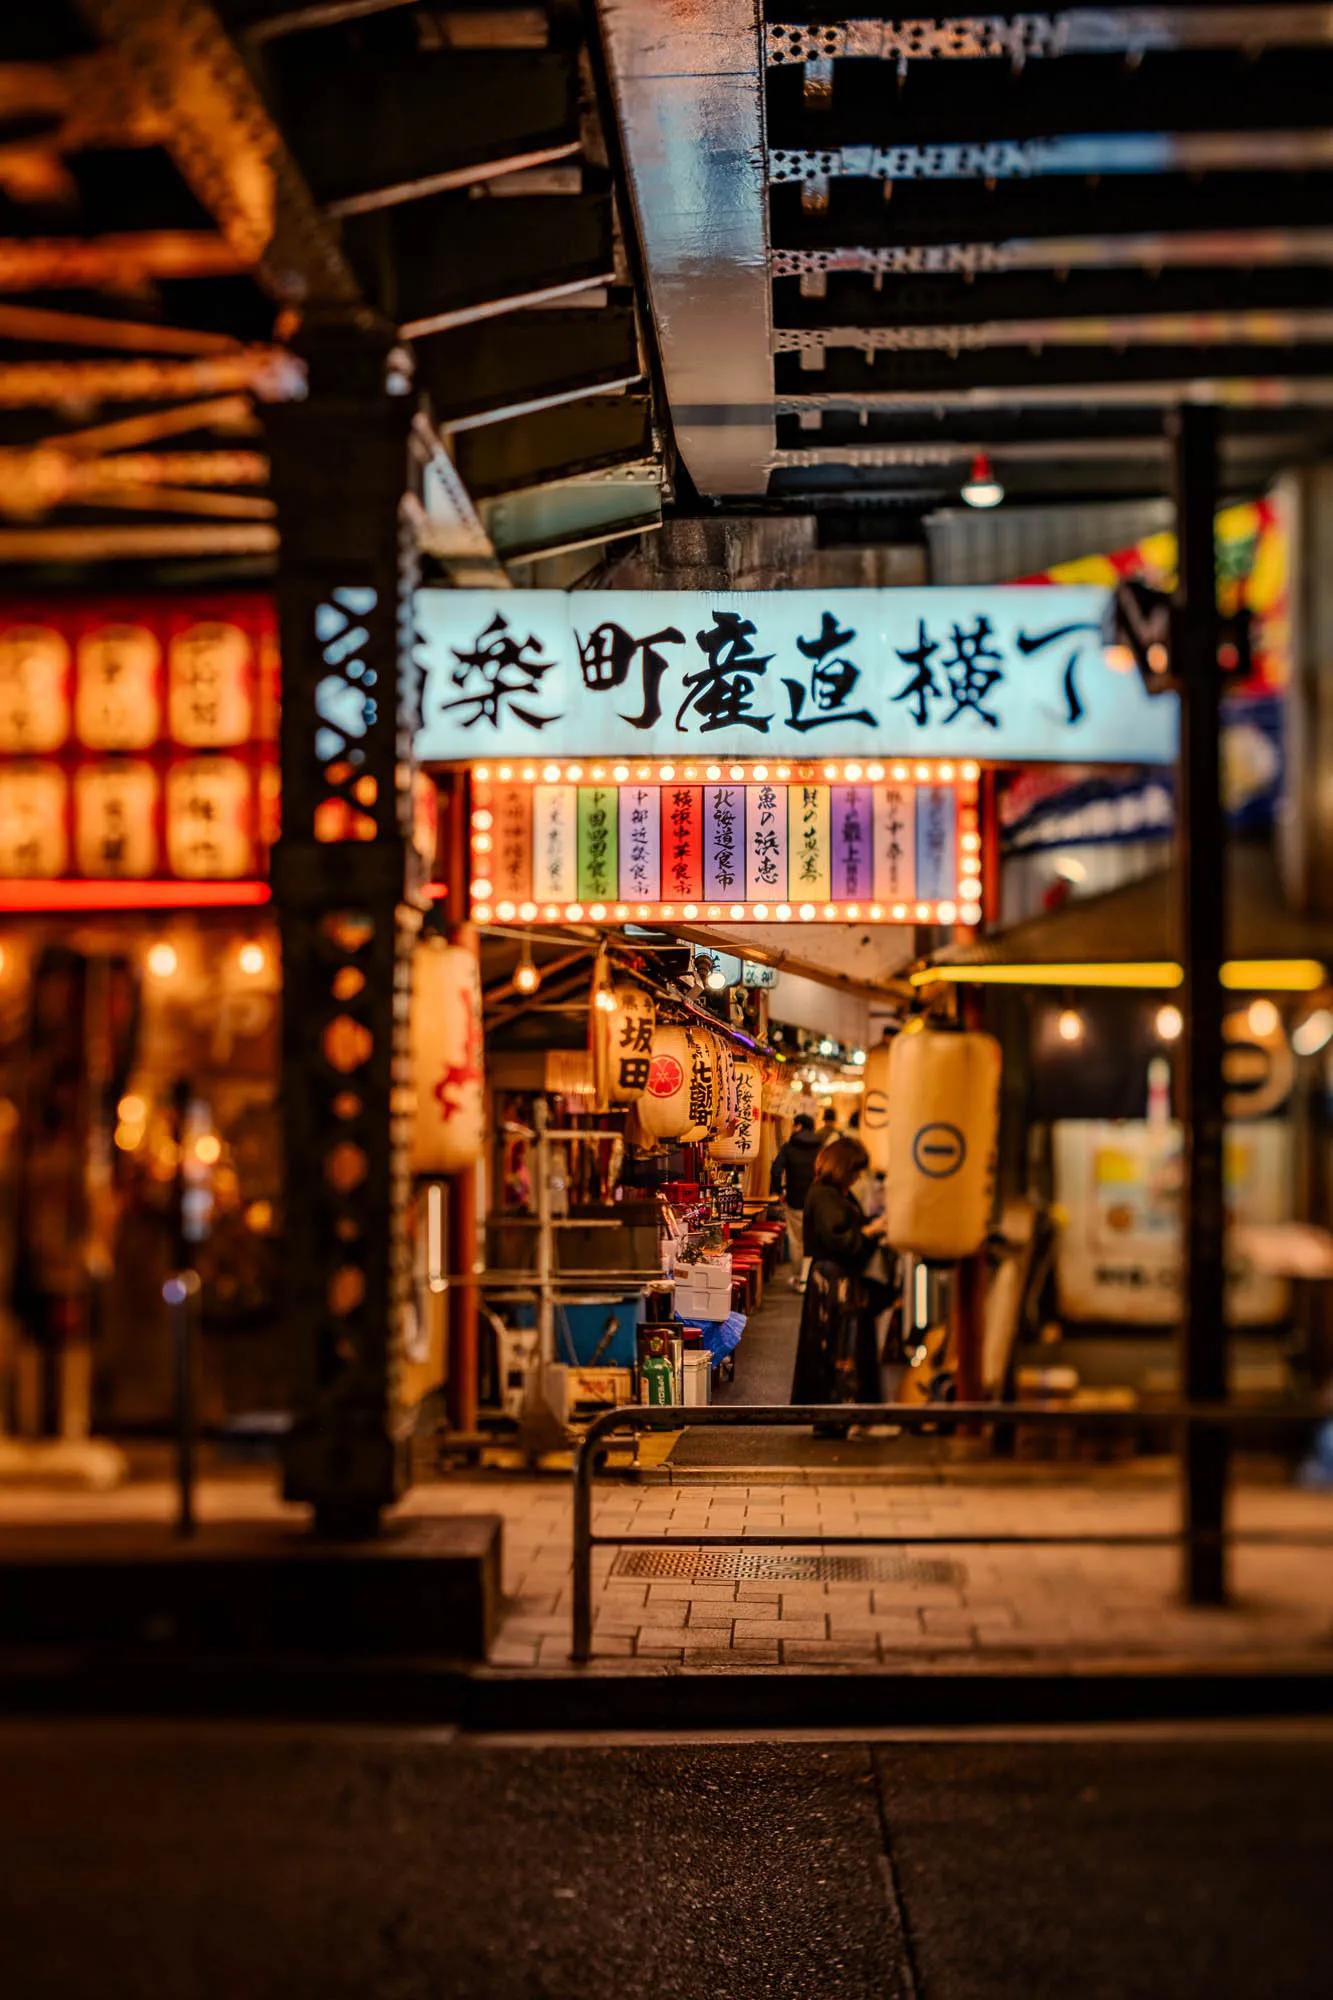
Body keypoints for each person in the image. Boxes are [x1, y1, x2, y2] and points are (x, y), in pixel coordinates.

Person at [790, 1135, 892, 1423]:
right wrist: (873, 1231)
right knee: (840, 1347)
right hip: (835, 1283)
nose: (857, 1178)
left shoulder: (830, 1193)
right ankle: (838, 1411)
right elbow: (843, 1240)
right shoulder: (826, 1195)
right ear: (843, 1168)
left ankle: (838, 1412)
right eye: (855, 1171)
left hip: (832, 1281)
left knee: (837, 1345)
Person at [769, 1112, 825, 1290]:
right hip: (816, 1201)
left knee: (795, 1240)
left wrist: (780, 1191)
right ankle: (805, 1278)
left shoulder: (789, 1147)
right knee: (812, 1239)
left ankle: (797, 1276)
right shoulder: (821, 1147)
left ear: (799, 1126)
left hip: (794, 1199)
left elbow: (775, 1171)